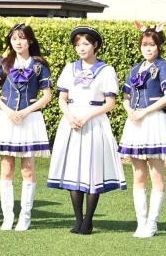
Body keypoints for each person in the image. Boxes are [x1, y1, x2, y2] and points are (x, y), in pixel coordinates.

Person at [47, 26, 125, 235]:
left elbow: (110, 103)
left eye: (86, 44)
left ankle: (88, 220)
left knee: (92, 170)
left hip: (94, 122)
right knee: (74, 169)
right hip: (71, 122)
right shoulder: (69, 68)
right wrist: (69, 116)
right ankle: (78, 220)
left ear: (95, 45)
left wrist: (87, 116)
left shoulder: (106, 70)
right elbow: (62, 98)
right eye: (78, 44)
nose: (81, 48)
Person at [0, 23, 53, 231]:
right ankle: (7, 216)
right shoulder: (4, 62)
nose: (18, 42)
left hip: (29, 120)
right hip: (7, 119)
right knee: (6, 168)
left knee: (28, 170)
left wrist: (25, 112)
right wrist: (9, 111)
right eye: (14, 39)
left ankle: (25, 216)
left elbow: (47, 96)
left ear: (30, 40)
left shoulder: (39, 65)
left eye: (22, 38)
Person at [119, 23, 166, 238]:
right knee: (138, 174)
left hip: (153, 122)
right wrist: (130, 111)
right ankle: (141, 222)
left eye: (152, 44)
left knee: (156, 174)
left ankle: (152, 223)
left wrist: (144, 112)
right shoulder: (135, 69)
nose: (148, 48)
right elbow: (125, 97)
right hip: (136, 122)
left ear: (159, 46)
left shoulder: (164, 66)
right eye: (144, 44)